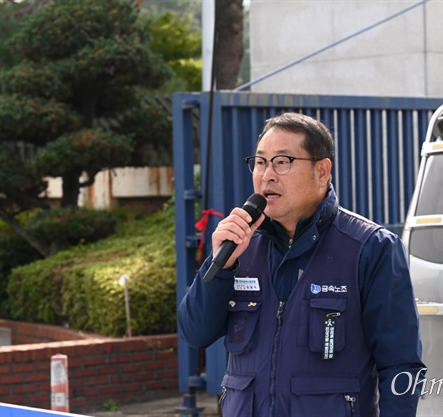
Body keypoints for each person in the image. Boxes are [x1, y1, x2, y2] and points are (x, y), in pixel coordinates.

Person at [178, 112, 425, 417]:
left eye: (282, 162)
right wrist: (222, 266)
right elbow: (195, 333)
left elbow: (402, 365)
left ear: (322, 171)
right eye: (259, 162)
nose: (267, 175)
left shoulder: (371, 247)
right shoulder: (242, 246)